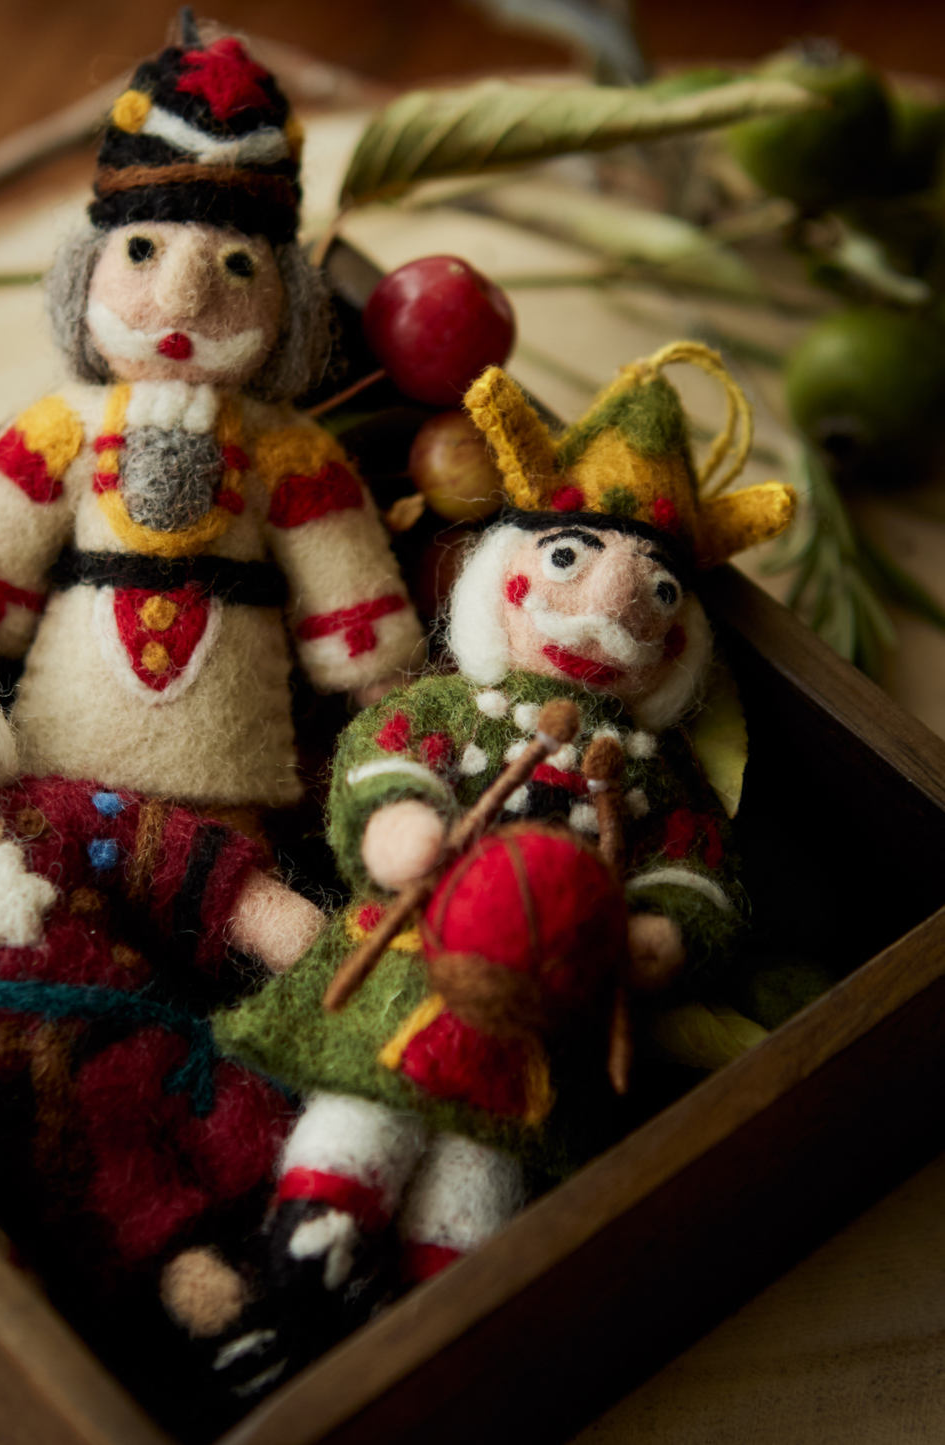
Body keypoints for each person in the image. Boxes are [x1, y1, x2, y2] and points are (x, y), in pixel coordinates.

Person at [214, 343, 797, 1296]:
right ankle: (306, 1255)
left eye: (656, 591)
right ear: (506, 575)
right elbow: (385, 749)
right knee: (360, 1110)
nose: (610, 605)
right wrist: (395, 820)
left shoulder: (658, 775)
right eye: (568, 557)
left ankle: (440, 1296)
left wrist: (662, 931)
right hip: (401, 962)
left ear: (677, 640)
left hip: (540, 1009)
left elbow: (693, 866)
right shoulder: (454, 709)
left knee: (479, 1164)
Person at [0, 21, 423, 812]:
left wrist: (382, 684)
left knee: (225, 857)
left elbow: (337, 559)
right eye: (141, 251)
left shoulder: (286, 452)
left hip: (225, 752)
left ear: (290, 306)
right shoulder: (61, 428)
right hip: (64, 740)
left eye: (236, 266)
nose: (182, 298)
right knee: (51, 830)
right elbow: (0, 542)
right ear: (85, 270)